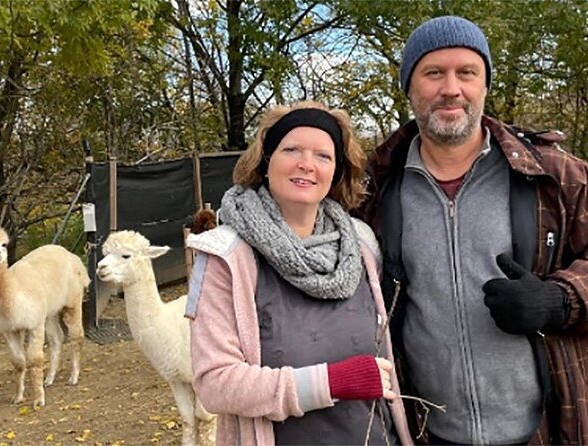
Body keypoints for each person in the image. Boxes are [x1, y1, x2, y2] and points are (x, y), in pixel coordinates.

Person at [357, 15, 588, 446]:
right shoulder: (373, 188)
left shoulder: (555, 176)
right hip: (429, 432)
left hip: (550, 428)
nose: (451, 88)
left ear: (484, 85)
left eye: (467, 72)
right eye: (433, 73)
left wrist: (561, 299)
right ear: (409, 87)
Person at [185, 100, 413, 445]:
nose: (307, 165)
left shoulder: (362, 246)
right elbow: (215, 384)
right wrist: (329, 383)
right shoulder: (226, 257)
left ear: (337, 171)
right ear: (266, 160)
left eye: (323, 156)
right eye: (292, 149)